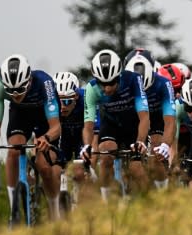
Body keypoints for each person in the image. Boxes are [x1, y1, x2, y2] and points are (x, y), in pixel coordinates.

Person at [0, 54, 62, 224]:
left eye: (20, 90)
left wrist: (46, 137)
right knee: (13, 150)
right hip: (20, 115)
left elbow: (56, 127)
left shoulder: (45, 83)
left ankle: (54, 210)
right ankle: (13, 211)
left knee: (44, 167)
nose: (15, 95)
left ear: (29, 80)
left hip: (45, 118)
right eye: (11, 91)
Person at [80, 48, 150, 199]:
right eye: (102, 84)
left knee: (136, 168)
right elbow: (88, 125)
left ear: (119, 75)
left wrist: (140, 141)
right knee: (105, 155)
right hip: (111, 125)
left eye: (111, 83)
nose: (107, 88)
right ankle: (107, 204)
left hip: (133, 125)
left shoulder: (133, 79)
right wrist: (87, 145)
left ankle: (151, 204)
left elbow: (144, 117)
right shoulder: (91, 89)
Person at [125, 53, 176, 190]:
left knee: (156, 153)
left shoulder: (163, 84)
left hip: (156, 118)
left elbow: (170, 121)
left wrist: (165, 145)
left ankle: (162, 194)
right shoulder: (123, 82)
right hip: (134, 118)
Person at [53, 71, 96, 208]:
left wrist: (91, 151)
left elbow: (95, 130)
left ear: (76, 96)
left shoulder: (86, 98)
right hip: (63, 137)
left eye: (67, 101)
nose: (63, 107)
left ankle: (86, 201)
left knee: (79, 171)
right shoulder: (49, 103)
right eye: (59, 103)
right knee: (55, 170)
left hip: (81, 137)